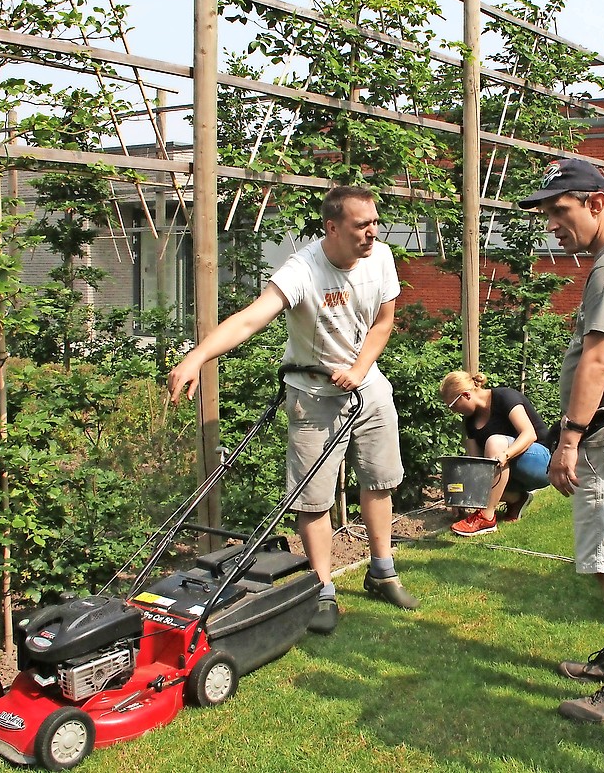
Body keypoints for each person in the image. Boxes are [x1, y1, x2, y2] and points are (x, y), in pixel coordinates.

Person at [167, 185, 418, 636]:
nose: (372, 233)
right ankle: (322, 590)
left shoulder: (380, 257)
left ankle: (383, 570)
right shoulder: (302, 269)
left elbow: (384, 323)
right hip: (313, 394)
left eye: (375, 223)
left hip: (369, 386)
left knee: (379, 480)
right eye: (363, 225)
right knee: (313, 497)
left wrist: (361, 368)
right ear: (333, 227)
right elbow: (249, 319)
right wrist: (196, 357)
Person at [517, 157, 604, 723]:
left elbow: (598, 360)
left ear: (596, 203)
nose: (552, 223)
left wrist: (570, 439)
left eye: (560, 210)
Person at [438, 370, 552, 536]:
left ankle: (486, 518)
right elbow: (475, 464)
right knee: (476, 479)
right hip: (510, 471)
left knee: (495, 442)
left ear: (466, 395)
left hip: (542, 464)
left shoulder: (505, 397)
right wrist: (462, 496)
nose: (453, 411)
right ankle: (517, 499)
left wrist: (505, 454)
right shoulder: (470, 420)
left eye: (453, 405)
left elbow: (529, 434)